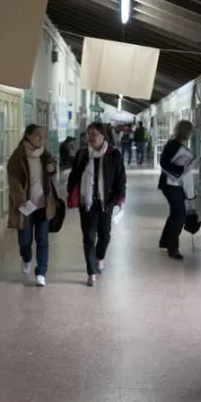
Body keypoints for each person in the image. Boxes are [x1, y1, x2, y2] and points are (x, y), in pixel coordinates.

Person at [68, 122, 126, 286]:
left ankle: (100, 257)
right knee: (88, 237)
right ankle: (91, 272)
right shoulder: (82, 154)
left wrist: (120, 198)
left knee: (105, 235)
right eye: (89, 134)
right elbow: (74, 175)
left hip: (105, 202)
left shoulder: (113, 154)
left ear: (103, 136)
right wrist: (71, 191)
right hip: (86, 203)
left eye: (94, 134)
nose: (91, 137)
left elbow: (121, 177)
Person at [7, 124, 58, 287]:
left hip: (43, 204)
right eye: (37, 135)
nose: (40, 138)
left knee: (42, 239)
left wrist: (52, 169)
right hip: (26, 206)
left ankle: (41, 272)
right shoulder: (18, 156)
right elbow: (14, 182)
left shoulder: (45, 154)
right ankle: (26, 257)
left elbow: (51, 173)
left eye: (42, 135)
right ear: (27, 136)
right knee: (25, 241)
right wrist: (22, 201)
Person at [158, 119, 195, 261]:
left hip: (175, 184)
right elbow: (164, 163)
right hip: (171, 184)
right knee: (179, 216)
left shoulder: (177, 144)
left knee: (175, 213)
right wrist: (182, 168)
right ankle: (173, 248)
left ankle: (165, 241)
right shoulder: (173, 145)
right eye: (189, 132)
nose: (190, 135)